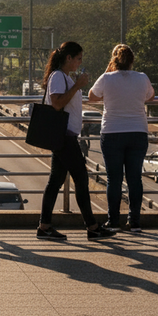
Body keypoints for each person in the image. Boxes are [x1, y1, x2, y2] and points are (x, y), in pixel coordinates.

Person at [36, 42, 116, 240]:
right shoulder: (58, 77)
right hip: (63, 136)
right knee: (80, 178)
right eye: (78, 58)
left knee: (55, 181)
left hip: (66, 135)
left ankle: (45, 226)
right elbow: (56, 104)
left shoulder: (65, 77)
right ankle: (92, 226)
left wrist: (78, 84)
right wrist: (78, 86)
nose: (80, 62)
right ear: (69, 58)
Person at [88, 44, 155, 232]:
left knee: (114, 179)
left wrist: (107, 73)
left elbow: (92, 96)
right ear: (132, 60)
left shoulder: (106, 78)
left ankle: (114, 221)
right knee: (135, 179)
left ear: (113, 61)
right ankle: (134, 221)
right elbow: (151, 96)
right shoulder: (142, 78)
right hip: (137, 132)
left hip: (112, 132)